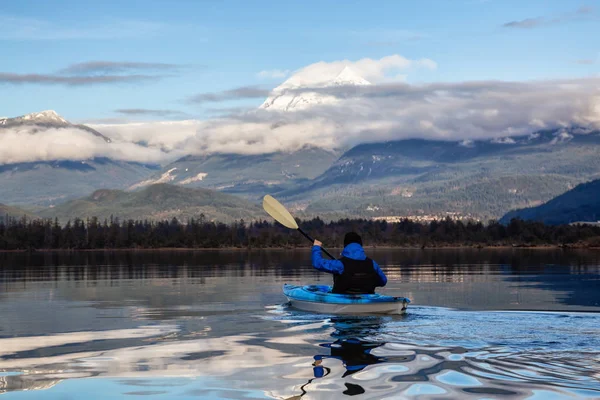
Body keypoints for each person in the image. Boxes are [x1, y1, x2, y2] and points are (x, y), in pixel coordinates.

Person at [312, 232, 387, 294]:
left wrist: (316, 247)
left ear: (345, 245)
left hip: (341, 299)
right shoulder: (372, 263)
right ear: (360, 245)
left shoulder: (339, 264)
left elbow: (317, 263)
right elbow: (383, 281)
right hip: (367, 297)